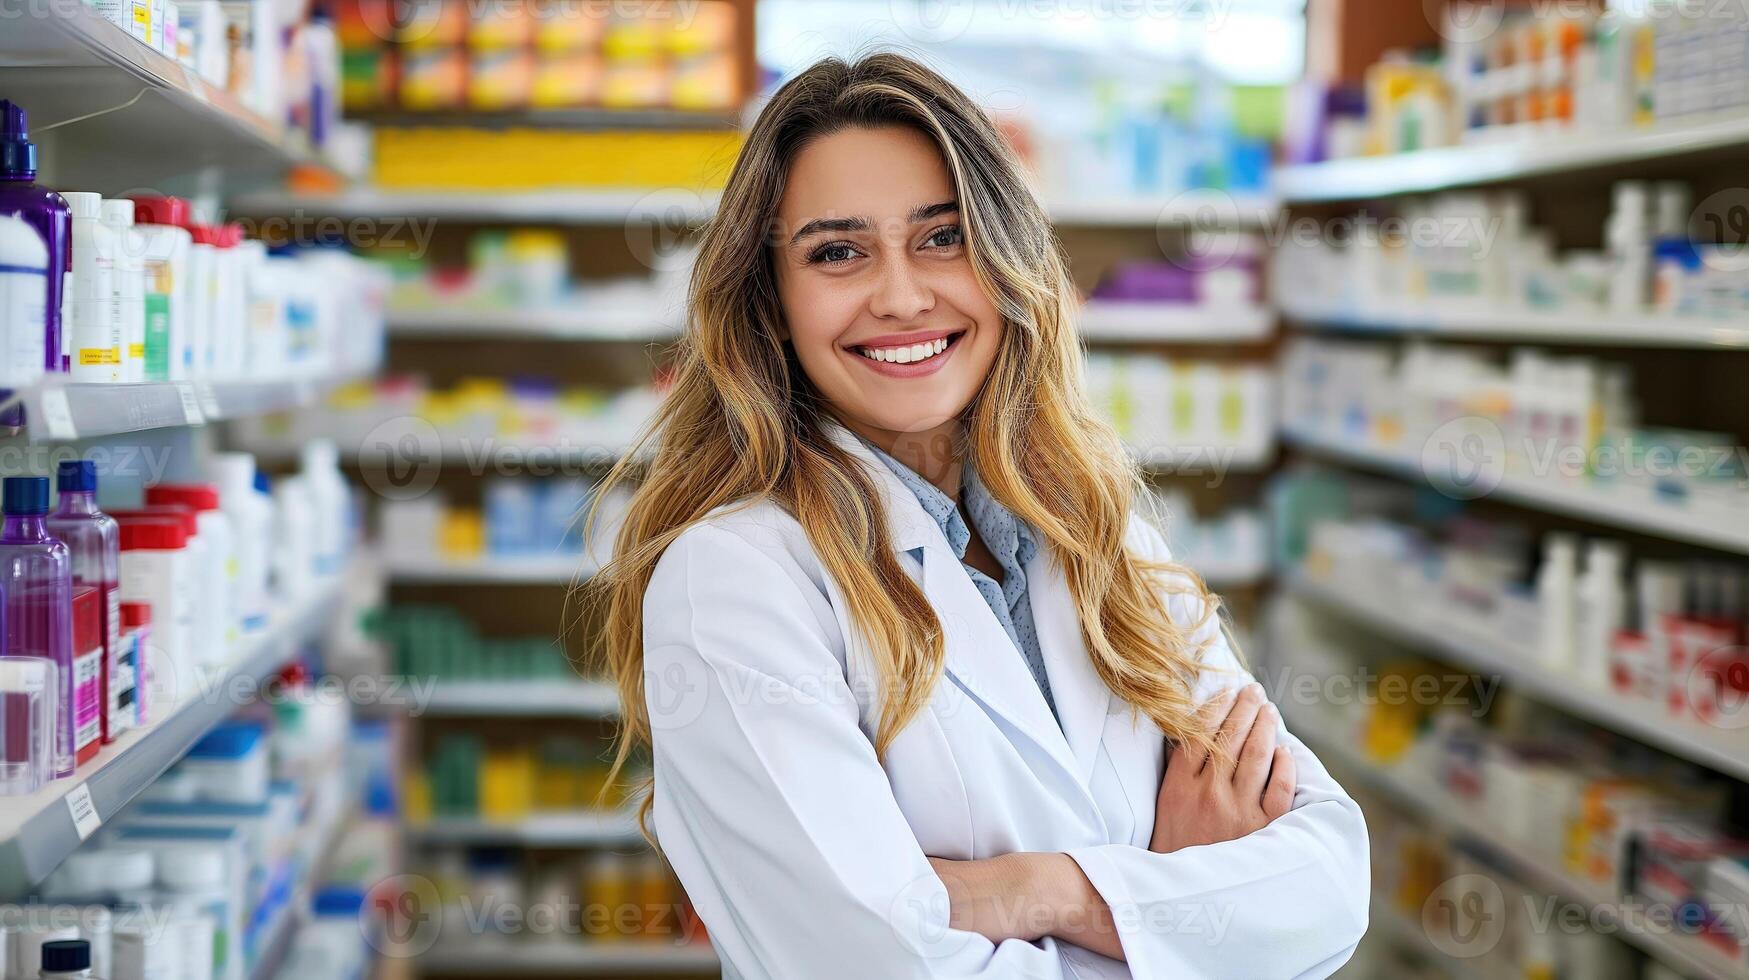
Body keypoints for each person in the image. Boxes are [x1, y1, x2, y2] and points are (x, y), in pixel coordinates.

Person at [590, 52, 1369, 979]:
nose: (901, 295)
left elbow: (1328, 885)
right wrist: (1176, 901)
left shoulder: (1103, 541)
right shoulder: (735, 582)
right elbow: (880, 967)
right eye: (836, 252)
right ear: (770, 302)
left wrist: (1039, 890)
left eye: (942, 237)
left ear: (1009, 263)